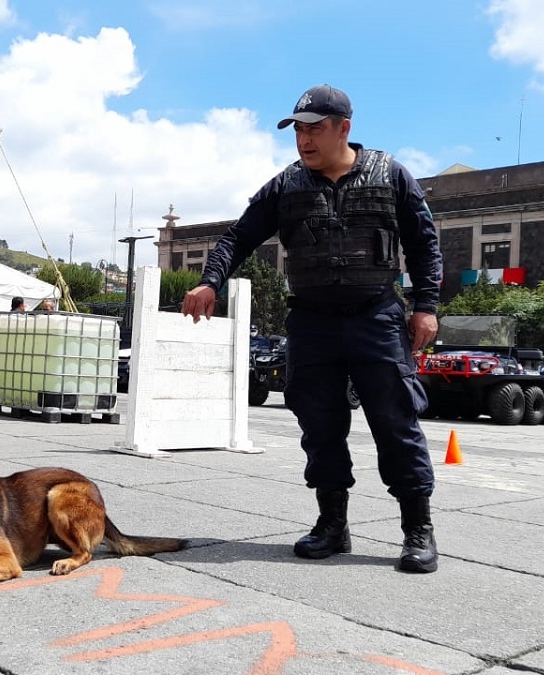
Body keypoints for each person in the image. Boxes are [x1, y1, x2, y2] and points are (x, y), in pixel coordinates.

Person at [181, 85, 443, 573]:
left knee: (396, 425)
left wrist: (426, 306)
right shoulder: (285, 186)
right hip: (313, 324)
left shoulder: (392, 175)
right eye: (297, 129)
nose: (303, 139)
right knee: (320, 429)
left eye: (314, 128)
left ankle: (417, 530)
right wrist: (209, 281)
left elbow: (425, 243)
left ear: (344, 127)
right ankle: (331, 526)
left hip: (377, 319)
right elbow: (239, 235)